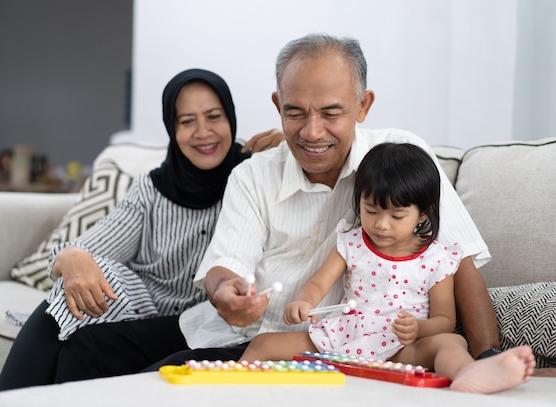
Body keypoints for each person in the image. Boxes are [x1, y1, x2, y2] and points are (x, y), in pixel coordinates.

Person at [144, 33, 504, 371]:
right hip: (241, 336)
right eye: (295, 112)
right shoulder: (252, 174)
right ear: (278, 105)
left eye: (331, 113)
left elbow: (461, 261)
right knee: (103, 356)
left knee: (161, 382)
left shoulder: (400, 160)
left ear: (363, 106)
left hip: (337, 349)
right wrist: (224, 291)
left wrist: (487, 356)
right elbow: (226, 265)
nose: (312, 132)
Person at [0, 68, 283, 391]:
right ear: (172, 129)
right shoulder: (153, 186)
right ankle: (1, 403)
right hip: (137, 307)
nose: (203, 132)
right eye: (187, 121)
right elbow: (89, 250)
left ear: (230, 118)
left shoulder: (251, 176)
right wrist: (71, 256)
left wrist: (288, 147)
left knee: (82, 344)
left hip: (202, 322)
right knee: (83, 275)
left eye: (214, 117)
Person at [239, 142, 534, 394]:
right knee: (264, 343)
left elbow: (444, 318)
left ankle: (472, 374)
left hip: (401, 347)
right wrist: (304, 301)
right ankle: (232, 389)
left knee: (450, 341)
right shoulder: (351, 243)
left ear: (423, 215)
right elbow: (318, 283)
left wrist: (419, 329)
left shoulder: (437, 259)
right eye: (371, 211)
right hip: (341, 339)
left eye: (396, 216)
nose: (381, 224)